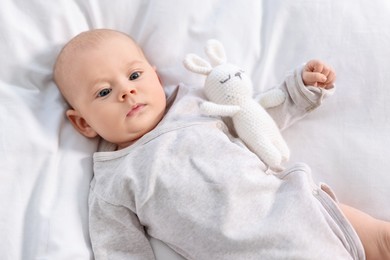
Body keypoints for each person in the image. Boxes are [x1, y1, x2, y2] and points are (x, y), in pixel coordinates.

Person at [53, 28, 390, 260]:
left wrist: (299, 91)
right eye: (103, 92)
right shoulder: (113, 184)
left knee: (380, 239)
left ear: (155, 76)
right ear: (83, 122)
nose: (126, 91)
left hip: (299, 207)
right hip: (247, 253)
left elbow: (255, 119)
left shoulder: (196, 108)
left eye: (135, 76)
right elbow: (120, 250)